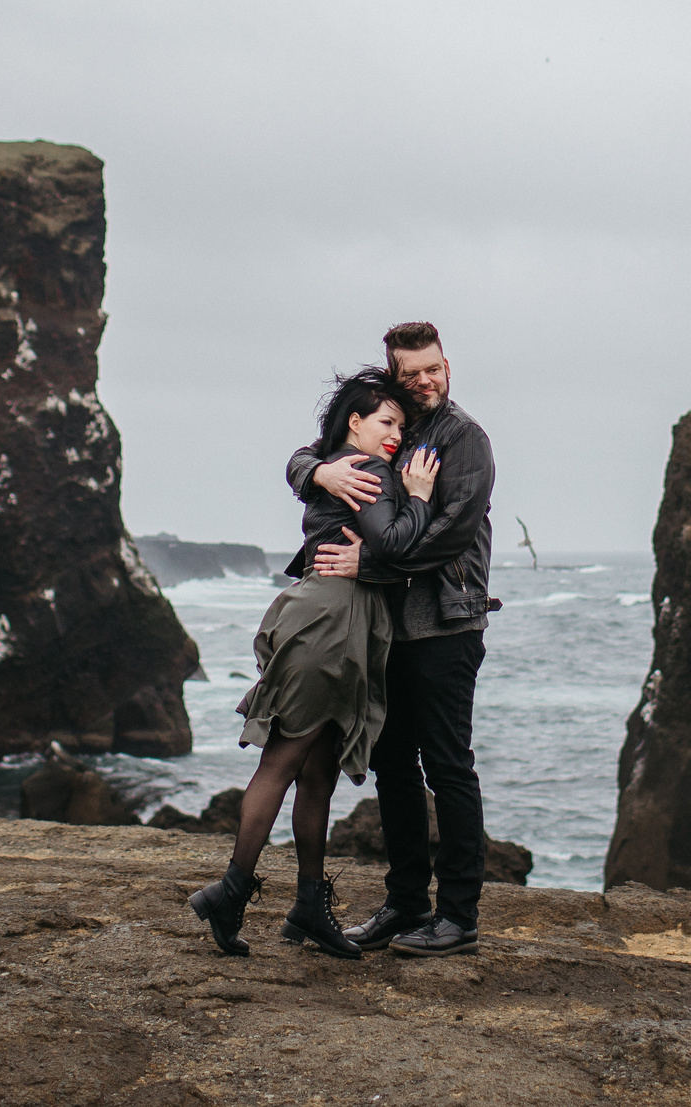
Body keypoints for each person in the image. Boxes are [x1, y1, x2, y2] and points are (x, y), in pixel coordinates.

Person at [187, 369, 443, 958]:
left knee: (320, 770)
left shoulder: (334, 463)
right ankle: (230, 891)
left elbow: (309, 468)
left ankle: (308, 905)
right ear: (355, 421)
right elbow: (395, 543)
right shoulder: (369, 470)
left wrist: (319, 467)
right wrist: (420, 498)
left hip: (342, 623)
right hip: (332, 623)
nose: (395, 435)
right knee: (283, 760)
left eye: (401, 426)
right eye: (385, 421)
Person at [295, 321, 496, 958]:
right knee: (393, 768)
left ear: (447, 366)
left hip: (446, 627)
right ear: (395, 376)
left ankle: (458, 917)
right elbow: (308, 453)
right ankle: (406, 903)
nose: (425, 381)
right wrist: (320, 474)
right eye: (412, 374)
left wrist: (371, 563)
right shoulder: (392, 426)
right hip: (387, 629)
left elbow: (450, 536)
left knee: (448, 766)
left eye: (433, 369)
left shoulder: (465, 440)